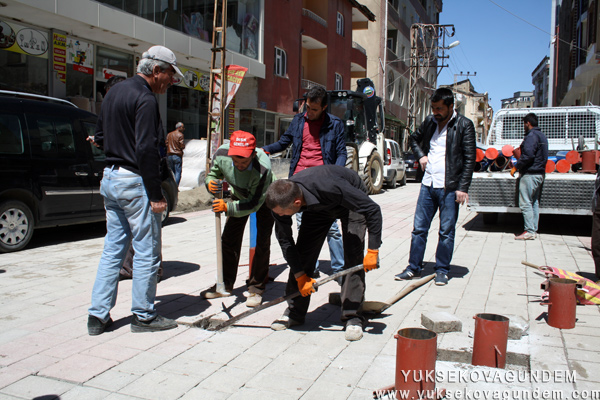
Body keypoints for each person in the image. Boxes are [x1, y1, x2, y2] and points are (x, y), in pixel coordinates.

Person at [87, 45, 183, 335]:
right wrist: (156, 195)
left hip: (110, 180)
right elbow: (145, 148)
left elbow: (101, 137)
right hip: (134, 182)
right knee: (146, 252)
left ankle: (97, 316)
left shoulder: (114, 92)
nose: (170, 81)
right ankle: (143, 315)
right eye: (169, 75)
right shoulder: (145, 98)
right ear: (156, 71)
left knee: (112, 251)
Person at [265, 165, 382, 341]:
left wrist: (373, 250)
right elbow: (286, 242)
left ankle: (353, 317)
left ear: (296, 203)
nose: (281, 216)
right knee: (304, 252)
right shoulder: (279, 203)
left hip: (350, 201)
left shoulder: (332, 185)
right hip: (318, 207)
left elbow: (372, 210)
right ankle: (294, 312)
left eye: (283, 213)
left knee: (353, 255)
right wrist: (300, 275)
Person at [395, 87, 476, 286]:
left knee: (446, 231)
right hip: (428, 185)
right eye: (433, 108)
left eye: (439, 108)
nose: (435, 112)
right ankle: (413, 267)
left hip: (450, 188)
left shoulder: (464, 125)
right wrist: (421, 155)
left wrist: (462, 187)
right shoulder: (430, 122)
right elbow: (414, 138)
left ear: (451, 106)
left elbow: (469, 158)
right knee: (419, 229)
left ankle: (442, 270)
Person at [263, 86, 346, 277]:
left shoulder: (335, 124)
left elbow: (341, 152)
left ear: (324, 107)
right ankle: (311, 268)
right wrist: (264, 149)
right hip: (299, 183)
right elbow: (284, 142)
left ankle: (340, 270)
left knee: (331, 228)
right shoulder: (299, 120)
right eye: (307, 107)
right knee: (304, 226)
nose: (309, 112)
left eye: (314, 109)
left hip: (323, 182)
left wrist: (336, 174)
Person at [203, 130, 276, 307]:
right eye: (235, 161)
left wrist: (227, 207)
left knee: (261, 242)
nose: (239, 165)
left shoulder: (262, 167)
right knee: (228, 240)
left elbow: (253, 205)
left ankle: (256, 288)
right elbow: (213, 175)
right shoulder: (221, 154)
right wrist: (210, 183)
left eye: (244, 161)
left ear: (253, 154)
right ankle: (225, 284)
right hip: (239, 195)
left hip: (264, 199)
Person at [513, 113, 548, 240]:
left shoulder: (531, 136)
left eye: (524, 124)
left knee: (525, 202)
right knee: (534, 202)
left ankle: (529, 231)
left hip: (530, 174)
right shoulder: (542, 136)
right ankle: (533, 229)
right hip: (540, 173)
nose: (524, 126)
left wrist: (516, 167)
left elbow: (528, 155)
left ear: (528, 123)